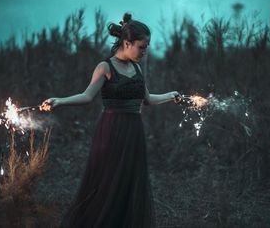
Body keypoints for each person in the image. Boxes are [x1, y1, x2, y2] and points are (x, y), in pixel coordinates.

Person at [40, 13, 180, 228]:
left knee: (128, 187)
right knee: (108, 186)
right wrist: (59, 101)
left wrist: (171, 96)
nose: (145, 51)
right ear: (127, 43)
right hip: (112, 132)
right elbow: (87, 96)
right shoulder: (105, 67)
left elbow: (148, 99)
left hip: (134, 134)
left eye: (147, 47)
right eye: (142, 47)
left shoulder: (137, 68)